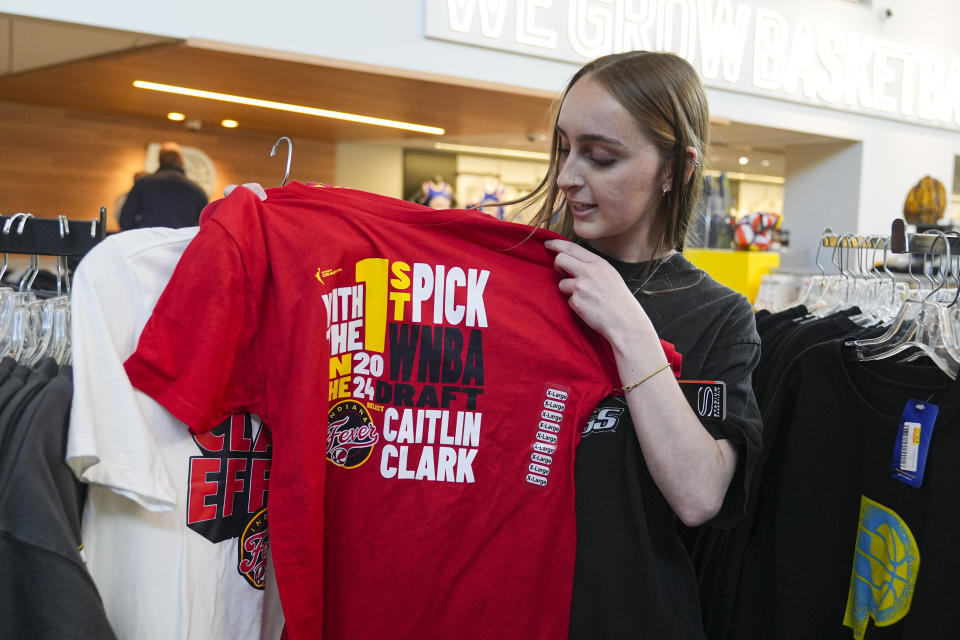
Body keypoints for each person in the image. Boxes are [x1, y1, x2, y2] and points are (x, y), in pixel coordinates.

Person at [514, 50, 762, 639]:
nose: (571, 175)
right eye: (564, 149)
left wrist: (630, 327)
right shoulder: (520, 276)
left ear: (675, 167)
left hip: (635, 617)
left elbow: (700, 495)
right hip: (505, 607)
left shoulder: (720, 316)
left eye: (600, 157)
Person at [119, 142, 208, 230]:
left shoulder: (143, 184)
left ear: (159, 160)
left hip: (148, 241)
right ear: (181, 161)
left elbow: (126, 220)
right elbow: (205, 226)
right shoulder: (197, 190)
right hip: (182, 243)